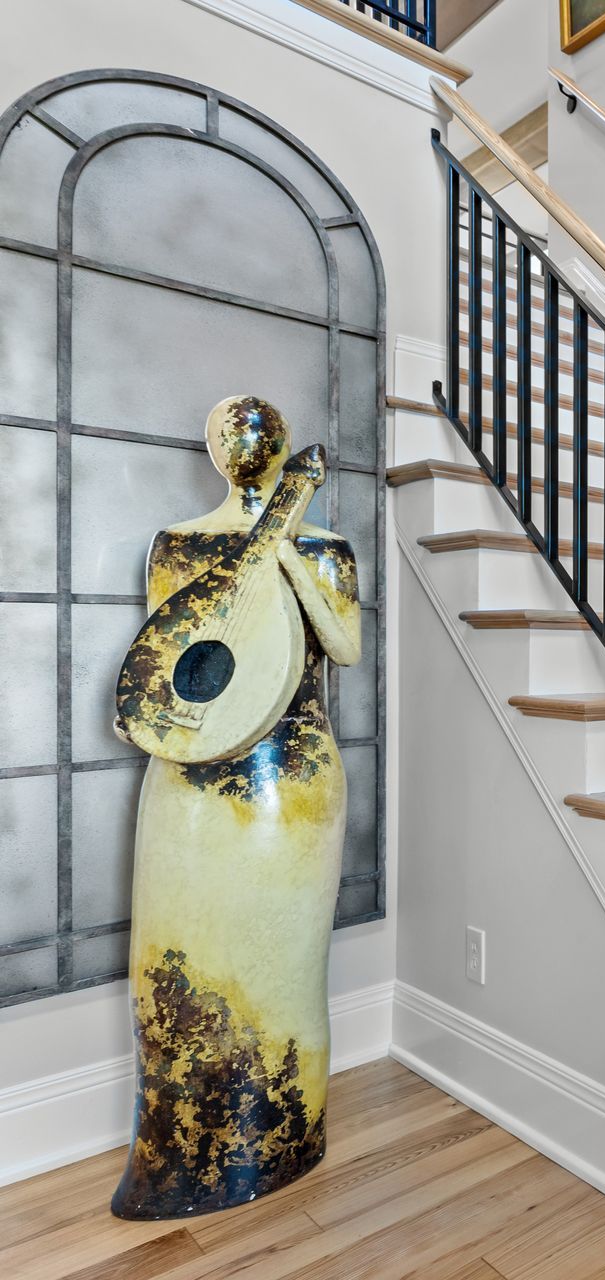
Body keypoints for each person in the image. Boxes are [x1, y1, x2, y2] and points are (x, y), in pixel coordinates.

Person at [110, 398, 361, 1219]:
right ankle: (180, 1149)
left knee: (282, 974)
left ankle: (286, 1133)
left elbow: (348, 647)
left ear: (283, 448)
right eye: (231, 430)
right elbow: (166, 654)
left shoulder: (326, 546)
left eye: (259, 431)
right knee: (175, 967)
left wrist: (285, 557)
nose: (244, 443)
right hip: (186, 780)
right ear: (214, 449)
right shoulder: (175, 544)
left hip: (289, 781)